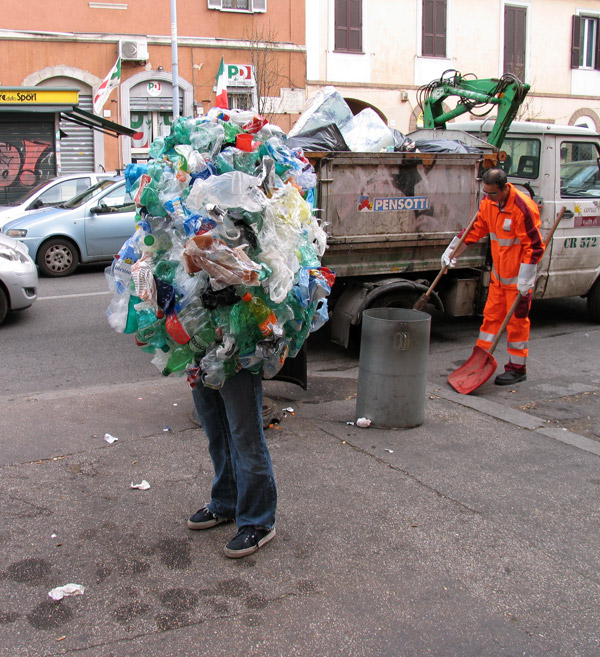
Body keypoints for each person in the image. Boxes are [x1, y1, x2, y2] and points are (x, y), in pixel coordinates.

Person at [441, 168, 545, 385]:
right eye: (486, 193)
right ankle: (479, 362)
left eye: (492, 193)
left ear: (505, 188)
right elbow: (474, 230)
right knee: (490, 321)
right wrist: (452, 251)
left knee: (516, 324)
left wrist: (526, 280)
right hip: (499, 280)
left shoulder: (523, 208)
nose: (488, 197)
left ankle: (517, 368)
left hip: (518, 283)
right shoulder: (489, 204)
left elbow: (534, 247)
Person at [188, 367, 277, 558]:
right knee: (215, 425)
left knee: (245, 434)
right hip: (197, 346)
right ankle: (226, 501)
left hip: (237, 351)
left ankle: (259, 520)